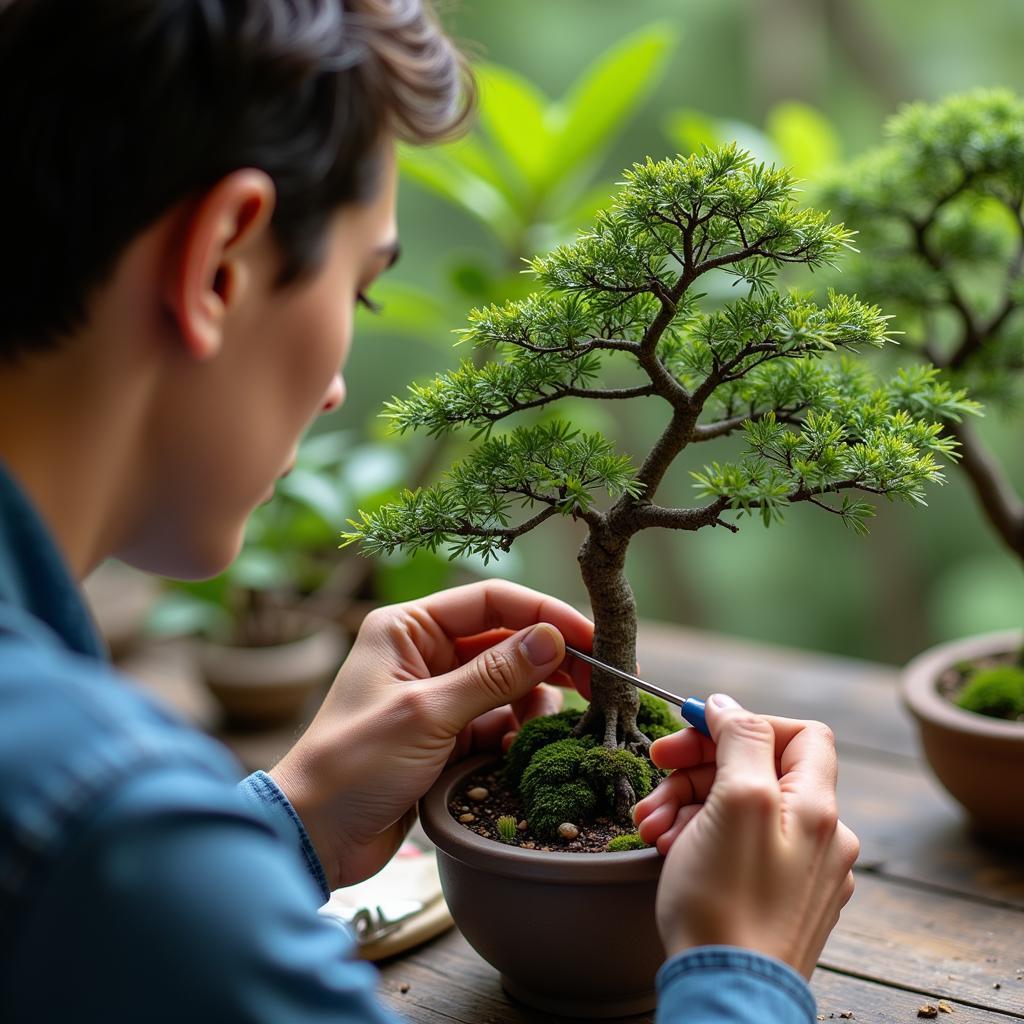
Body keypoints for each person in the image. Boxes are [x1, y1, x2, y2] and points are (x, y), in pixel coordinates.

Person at [0, 1, 860, 1021]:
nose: (333, 389)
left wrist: (286, 820)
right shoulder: (98, 816)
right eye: (361, 290)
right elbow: (95, 861)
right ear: (221, 262)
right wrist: (745, 969)